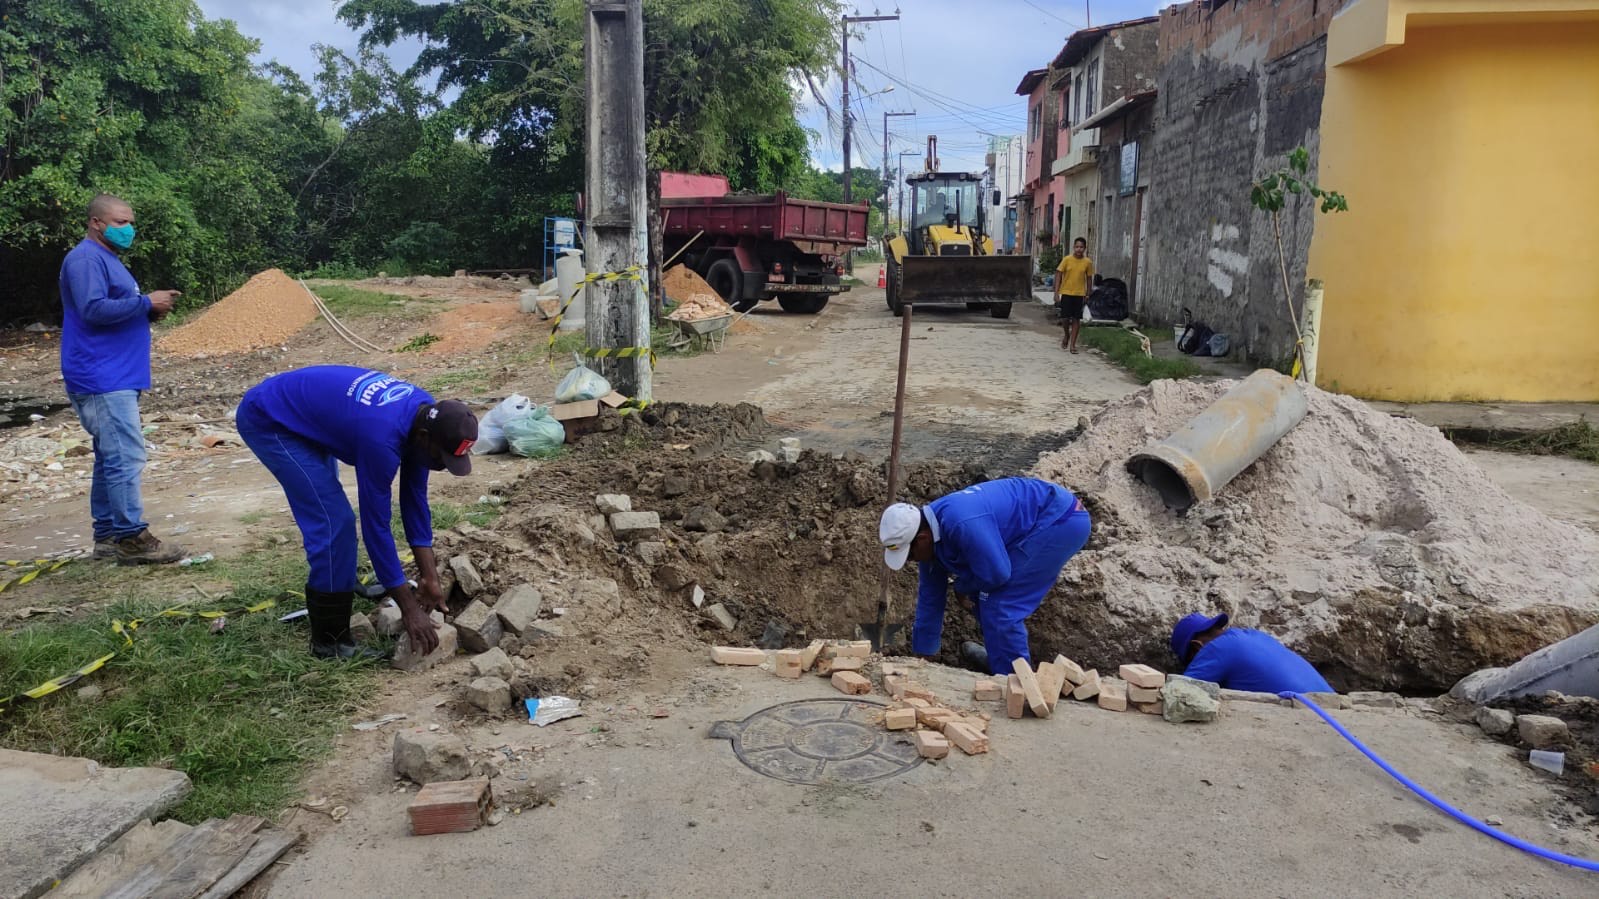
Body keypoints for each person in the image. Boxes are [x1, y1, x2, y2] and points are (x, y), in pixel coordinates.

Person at [236, 366, 478, 660]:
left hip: (305, 411)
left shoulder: (425, 416)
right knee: (333, 521)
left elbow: (414, 500)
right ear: (426, 438)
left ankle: (340, 581)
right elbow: (376, 526)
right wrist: (409, 608)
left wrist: (430, 576)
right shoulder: (382, 439)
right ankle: (329, 641)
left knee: (334, 518)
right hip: (270, 419)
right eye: (442, 459)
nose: (442, 467)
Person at [59, 194, 186, 564]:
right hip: (102, 376)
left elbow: (112, 311)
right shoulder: (85, 259)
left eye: (130, 222)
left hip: (116, 374)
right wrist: (147, 302)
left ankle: (108, 536)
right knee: (125, 457)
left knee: (109, 457)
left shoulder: (108, 260)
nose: (127, 229)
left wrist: (147, 313)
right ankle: (132, 537)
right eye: (119, 222)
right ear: (97, 223)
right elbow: (93, 308)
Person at [879, 477, 1092, 676]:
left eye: (909, 555)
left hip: (1060, 519)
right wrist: (922, 662)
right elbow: (930, 597)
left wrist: (962, 587)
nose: (911, 561)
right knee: (984, 597)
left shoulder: (960, 523)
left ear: (922, 539)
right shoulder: (927, 533)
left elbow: (997, 575)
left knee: (1000, 603)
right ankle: (1000, 659)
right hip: (1037, 523)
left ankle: (1014, 682)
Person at [1170, 612, 1333, 694]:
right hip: (1334, 705)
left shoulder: (1215, 649)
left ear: (1197, 647)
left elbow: (1179, 691)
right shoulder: (1256, 636)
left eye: (1192, 660)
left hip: (1309, 712)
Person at [1054, 237, 1095, 353]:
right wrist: (1056, 292)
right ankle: (1066, 335)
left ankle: (1072, 345)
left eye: (1081, 247)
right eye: (1077, 247)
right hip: (1066, 293)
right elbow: (1058, 275)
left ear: (1085, 248)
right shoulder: (1067, 260)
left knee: (1076, 319)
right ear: (1073, 247)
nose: (1079, 249)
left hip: (1079, 294)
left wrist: (1088, 293)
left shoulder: (1087, 262)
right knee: (1065, 318)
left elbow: (1089, 278)